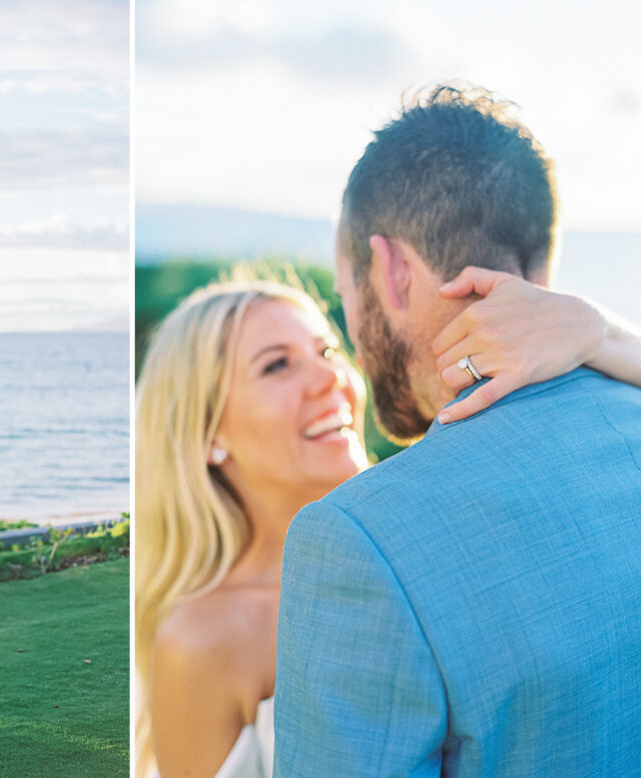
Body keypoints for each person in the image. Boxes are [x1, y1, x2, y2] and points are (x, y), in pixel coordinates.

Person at [134, 268, 641, 777]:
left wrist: (597, 332)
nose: (330, 377)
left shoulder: (429, 544)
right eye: (277, 366)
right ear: (207, 434)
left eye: (327, 351)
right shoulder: (201, 640)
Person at [274, 84, 641, 775]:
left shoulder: (356, 542)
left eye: (345, 290)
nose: (349, 331)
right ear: (541, 265)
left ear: (390, 269)